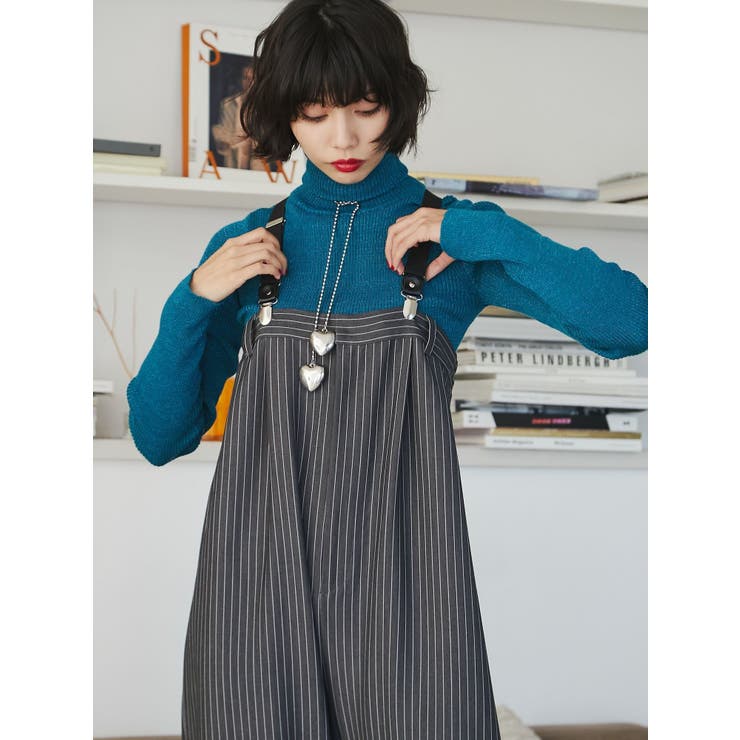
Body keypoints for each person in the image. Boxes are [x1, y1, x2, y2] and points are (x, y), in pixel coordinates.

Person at [126, 0, 648, 737]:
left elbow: (632, 322)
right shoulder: (245, 247)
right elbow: (158, 436)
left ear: (397, 103)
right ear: (285, 114)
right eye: (314, 114)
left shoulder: (455, 241)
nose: (342, 138)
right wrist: (192, 299)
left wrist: (484, 232)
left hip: (406, 597)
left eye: (365, 109)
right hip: (256, 595)